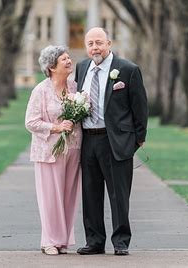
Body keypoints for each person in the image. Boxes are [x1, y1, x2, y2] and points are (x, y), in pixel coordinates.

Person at [75, 27, 148, 256]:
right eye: (90, 44)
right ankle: (94, 241)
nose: (94, 48)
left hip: (115, 141)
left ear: (109, 43)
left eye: (99, 42)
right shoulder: (81, 68)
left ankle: (121, 242)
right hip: (88, 140)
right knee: (90, 193)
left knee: (118, 195)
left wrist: (138, 139)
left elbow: (140, 107)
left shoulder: (127, 70)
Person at [25, 45, 82, 256]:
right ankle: (48, 240)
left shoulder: (75, 87)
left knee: (68, 195)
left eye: (69, 58)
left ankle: (63, 240)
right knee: (50, 197)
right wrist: (57, 127)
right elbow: (30, 122)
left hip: (74, 148)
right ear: (51, 67)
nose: (69, 62)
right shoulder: (40, 90)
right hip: (49, 152)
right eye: (64, 59)